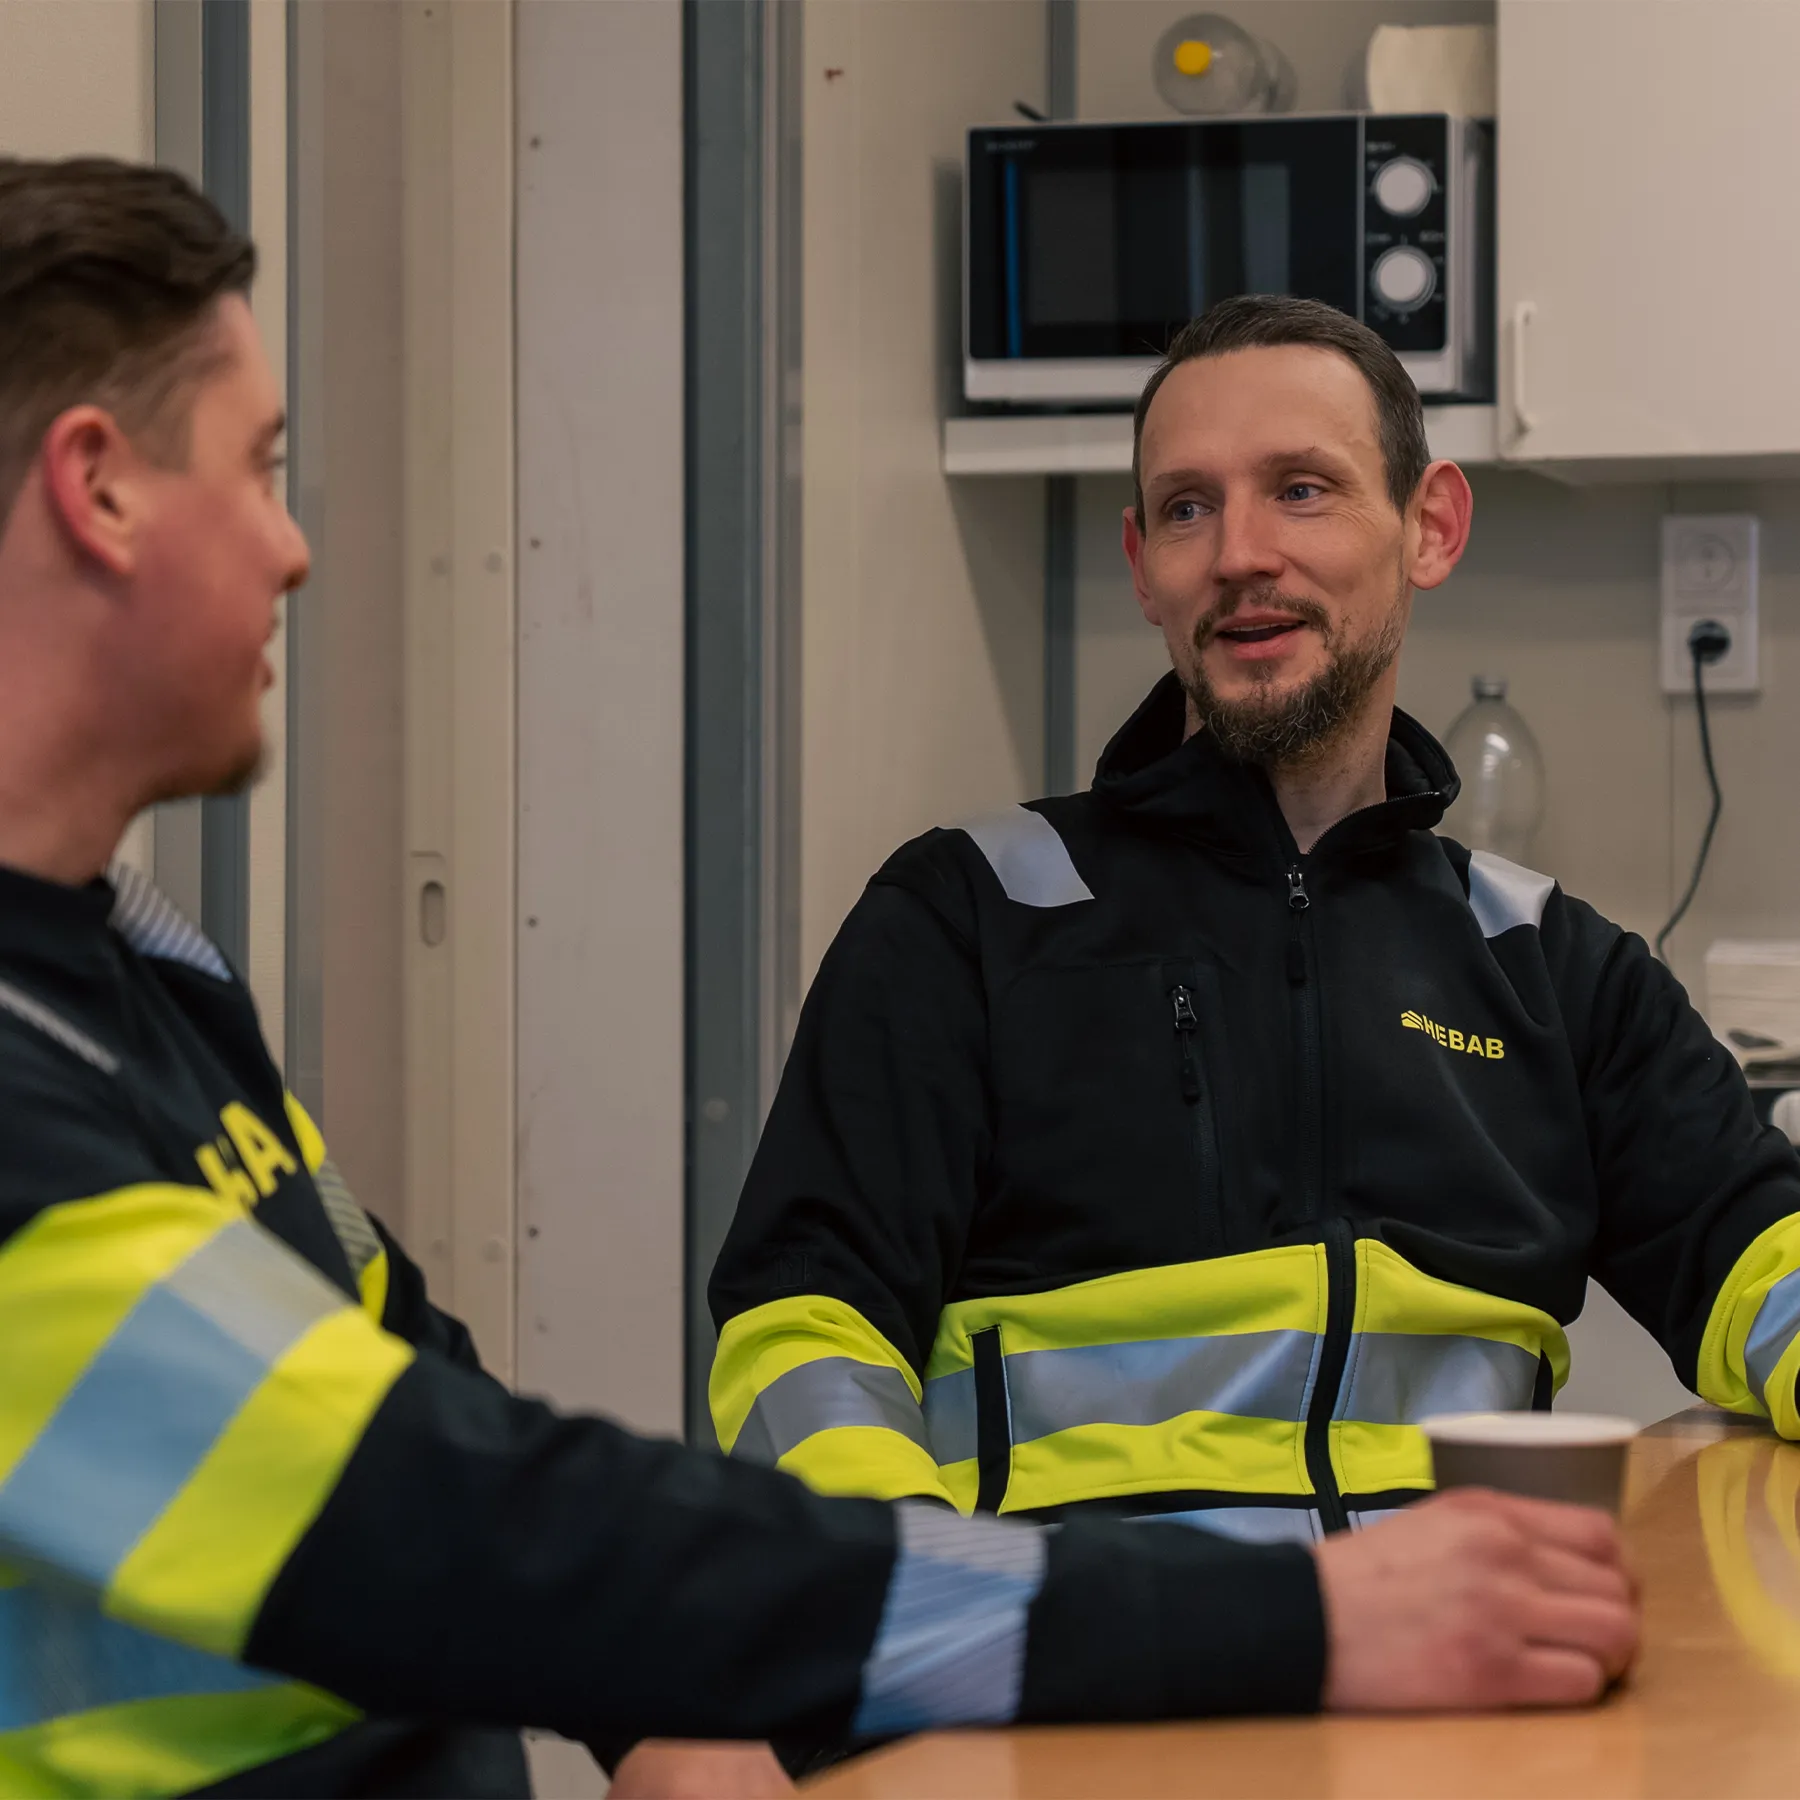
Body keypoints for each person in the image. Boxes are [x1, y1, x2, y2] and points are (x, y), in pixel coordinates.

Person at [0, 162, 1636, 1798]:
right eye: (261, 469)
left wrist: (655, 1713)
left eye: (1304, 491)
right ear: (99, 490)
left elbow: (419, 1383)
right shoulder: (21, 1088)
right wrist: (1301, 1621)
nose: (293, 547)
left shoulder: (140, 974)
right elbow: (454, 1516)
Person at [710, 298, 1800, 1598]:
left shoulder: (1553, 970)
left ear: (1430, 526)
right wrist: (941, 1619)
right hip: (1085, 1670)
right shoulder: (965, 920)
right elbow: (803, 1331)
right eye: (1187, 508)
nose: (1240, 554)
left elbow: (1762, 1258)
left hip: (1460, 1666)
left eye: (1301, 490)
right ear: (1141, 564)